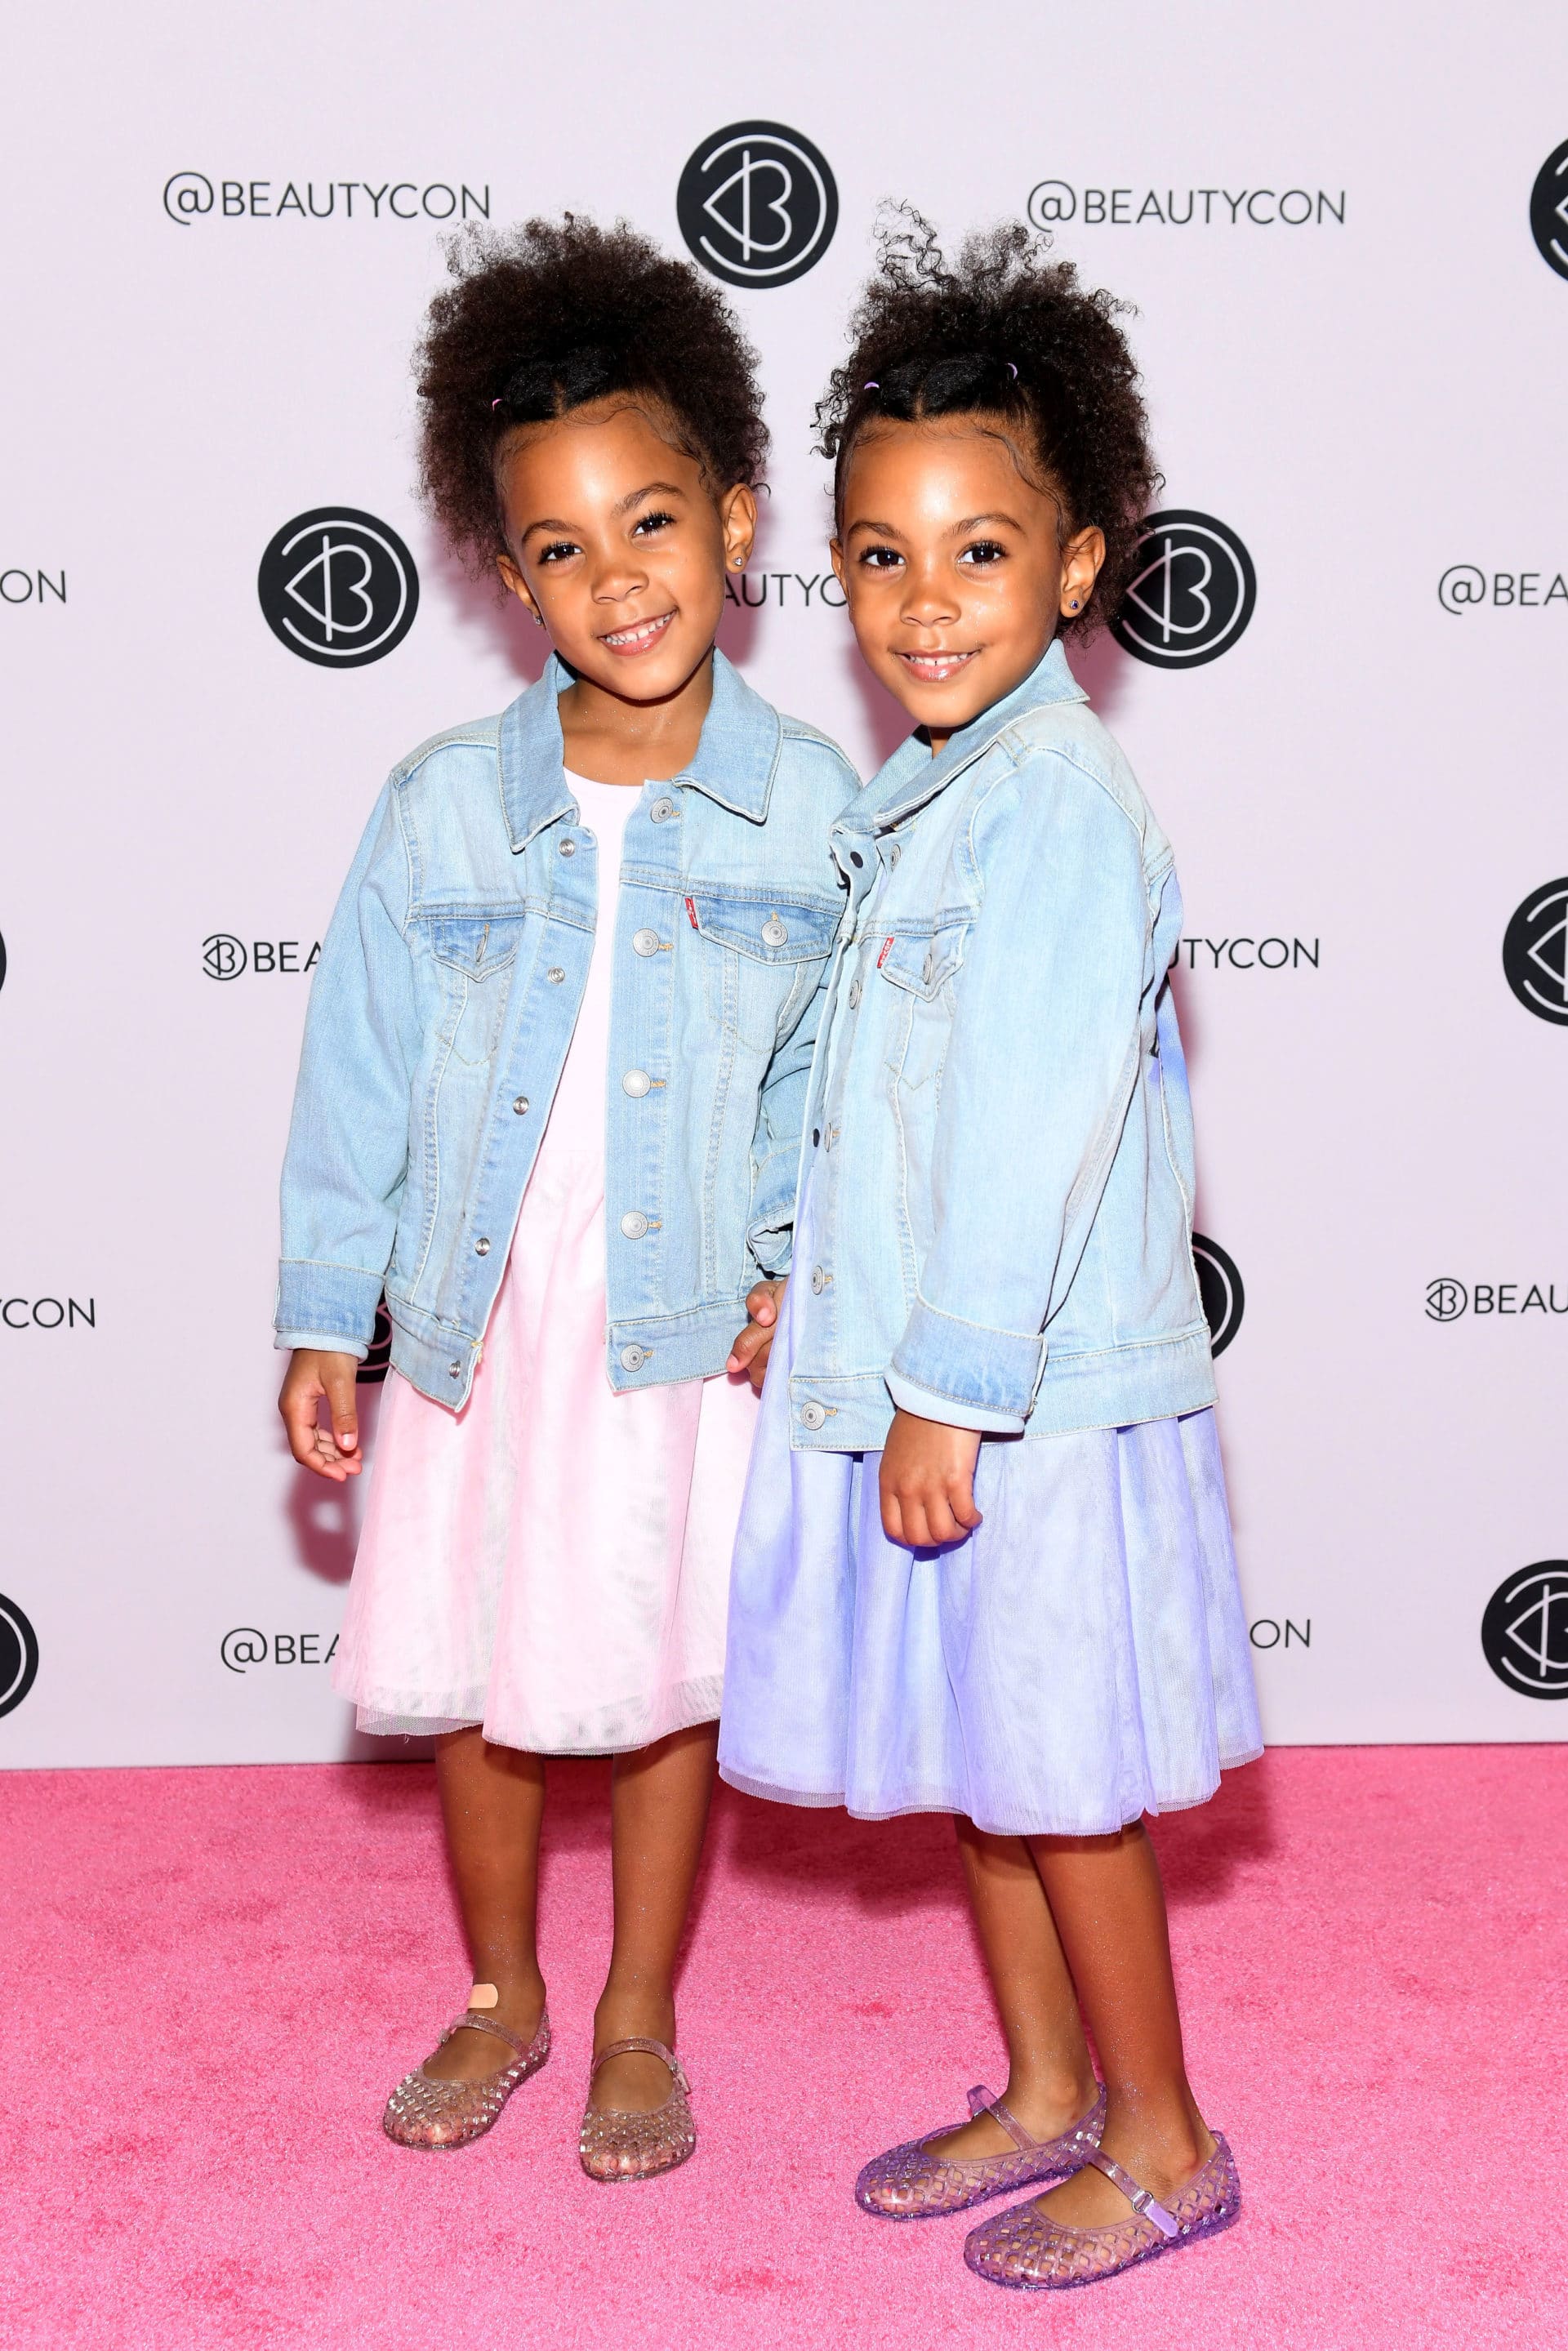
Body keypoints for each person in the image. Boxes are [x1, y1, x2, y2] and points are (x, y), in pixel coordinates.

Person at [274, 217, 856, 2180]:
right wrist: (325, 1306)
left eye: (654, 522)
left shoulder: (817, 809)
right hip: (479, 1315)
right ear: (507, 574)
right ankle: (502, 1991)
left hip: (684, 1323)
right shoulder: (440, 800)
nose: (618, 579)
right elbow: (357, 1067)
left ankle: (635, 2015)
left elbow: (830, 1081)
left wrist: (790, 1267)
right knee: (477, 1667)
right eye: (562, 545)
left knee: (661, 1675)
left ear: (738, 519)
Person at [719, 212, 1262, 2289]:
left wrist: (945, 1386)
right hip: (940, 1377)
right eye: (881, 554)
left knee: (1070, 1788)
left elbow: (1032, 1131)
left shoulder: (1054, 807)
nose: (923, 599)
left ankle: (1167, 2139)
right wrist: (806, 1276)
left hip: (1026, 1397)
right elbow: (882, 1105)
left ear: (1078, 564)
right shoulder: (925, 798)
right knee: (995, 1774)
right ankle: (1045, 2096)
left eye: (978, 549)